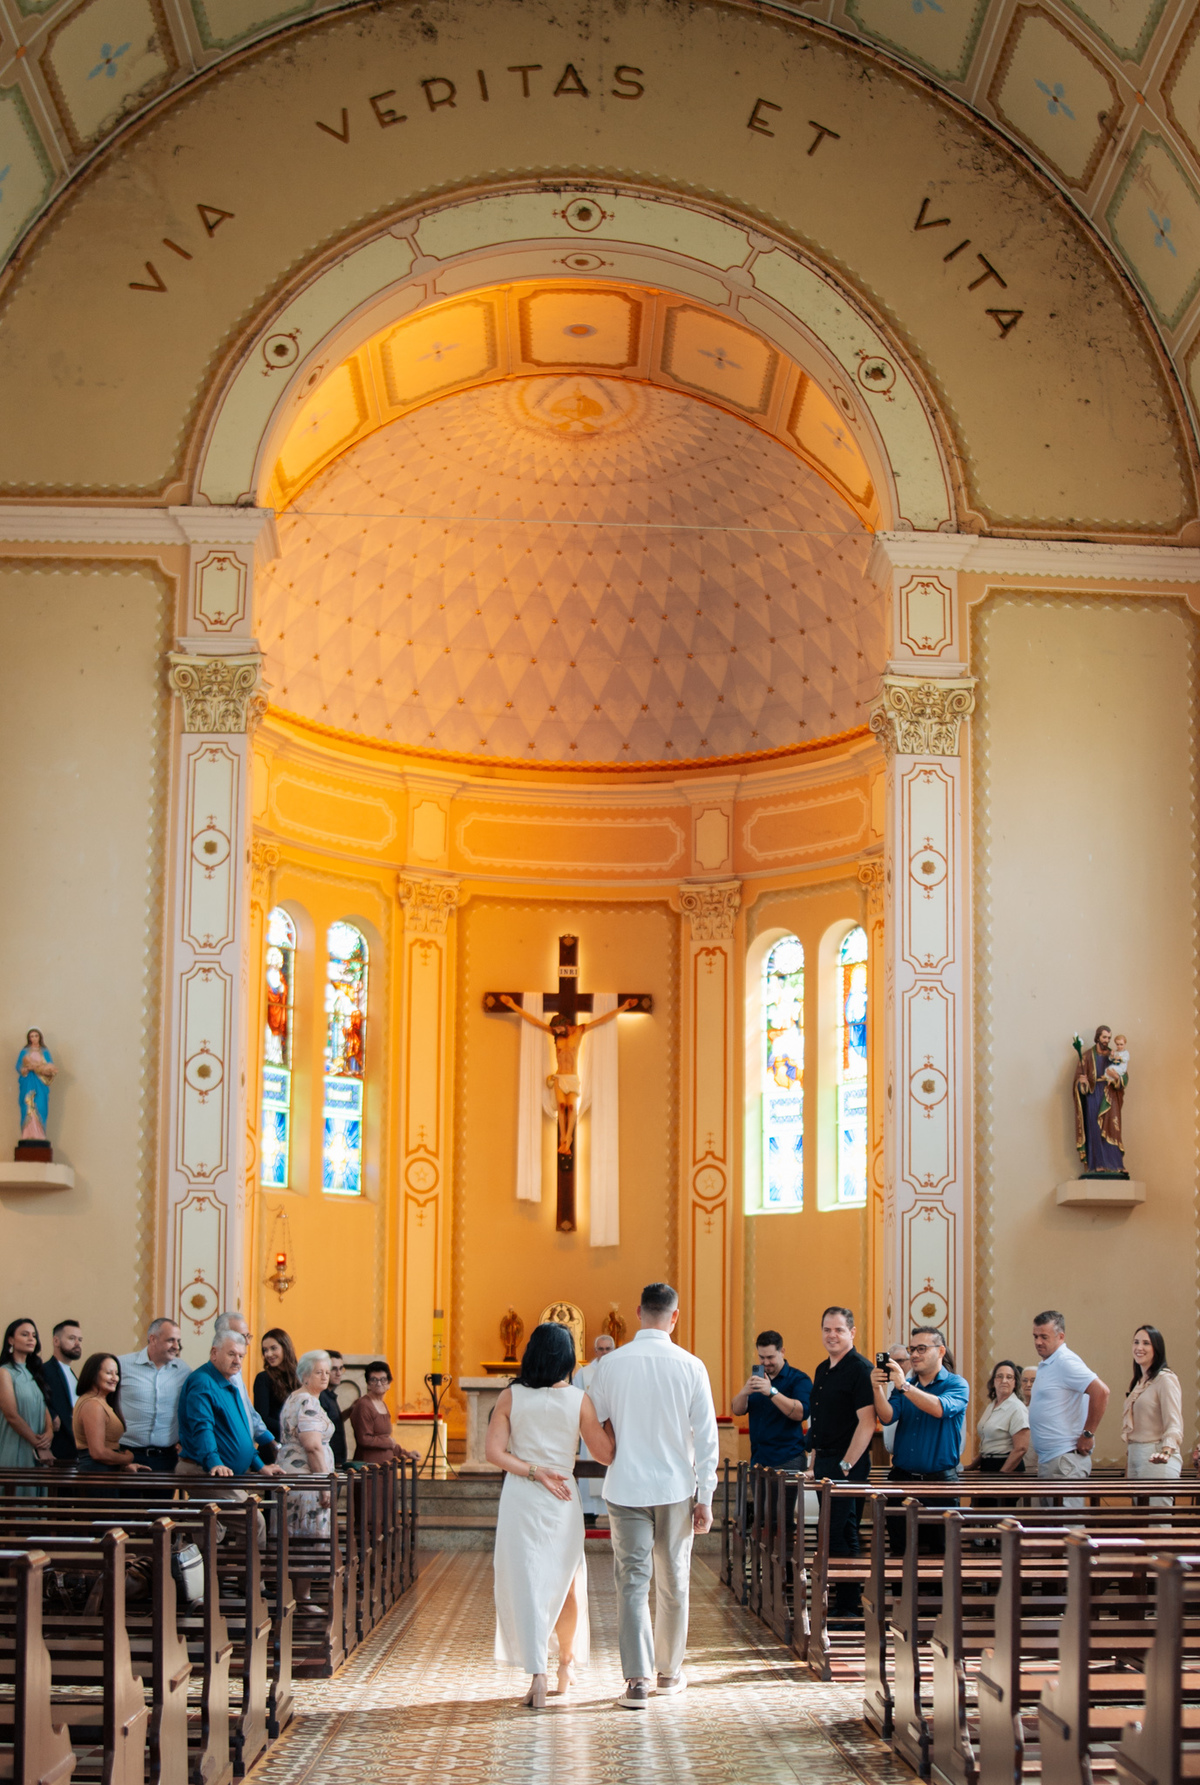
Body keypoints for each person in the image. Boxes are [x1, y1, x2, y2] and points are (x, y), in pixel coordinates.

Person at [586, 1281, 718, 1710]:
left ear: (639, 1313)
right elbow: (707, 1435)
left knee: (631, 1582)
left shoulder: (610, 1364)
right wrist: (707, 1495)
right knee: (674, 1579)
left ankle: (637, 1681)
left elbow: (596, 1425)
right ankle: (668, 1672)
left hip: (625, 1486)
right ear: (674, 1316)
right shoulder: (691, 1365)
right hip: (676, 1487)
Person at [488, 1322, 615, 1709]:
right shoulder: (579, 1400)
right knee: (568, 1583)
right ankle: (564, 1668)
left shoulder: (511, 1396)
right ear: (566, 1358)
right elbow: (605, 1455)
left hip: (522, 1498)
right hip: (562, 1497)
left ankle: (537, 1677)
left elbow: (494, 1452)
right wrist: (611, 1420)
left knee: (527, 1583)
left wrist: (532, 1470)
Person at [802, 1307, 877, 1616]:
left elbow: (867, 1422)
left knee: (837, 1532)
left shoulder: (861, 1369)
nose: (832, 1335)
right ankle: (846, 1604)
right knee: (839, 1533)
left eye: (839, 1330)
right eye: (827, 1329)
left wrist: (846, 1466)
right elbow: (819, 1423)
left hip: (849, 1465)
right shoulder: (823, 1369)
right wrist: (813, 1462)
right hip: (825, 1462)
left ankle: (848, 1606)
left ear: (852, 1333)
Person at [499, 993, 638, 1155]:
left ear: (565, 1024)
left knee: (572, 1107)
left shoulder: (579, 1031)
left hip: (572, 1077)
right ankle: (562, 1140)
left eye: (558, 1029)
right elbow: (535, 1021)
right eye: (555, 1030)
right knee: (561, 1105)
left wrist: (623, 1007)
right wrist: (512, 1006)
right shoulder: (556, 1034)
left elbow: (602, 1020)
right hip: (559, 1076)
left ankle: (568, 1138)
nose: (556, 1032)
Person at [873, 1326, 969, 1554]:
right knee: (900, 1550)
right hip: (902, 1479)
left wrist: (904, 1386)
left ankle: (937, 1591)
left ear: (941, 1351)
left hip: (939, 1483)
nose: (914, 1355)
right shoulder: (905, 1387)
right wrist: (877, 1388)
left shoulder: (956, 1384)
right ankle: (899, 1590)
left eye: (922, 1349)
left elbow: (938, 1408)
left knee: (940, 1554)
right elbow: (887, 1417)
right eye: (912, 1349)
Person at [177, 1329, 282, 1535]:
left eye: (241, 1356)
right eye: (231, 1354)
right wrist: (213, 1461)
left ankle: (231, 1567)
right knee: (255, 1523)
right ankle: (247, 1568)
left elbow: (241, 1432)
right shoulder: (203, 1382)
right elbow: (202, 1427)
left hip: (224, 1474)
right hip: (205, 1471)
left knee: (213, 1533)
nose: (237, 1361)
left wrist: (260, 1466)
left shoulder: (229, 1382)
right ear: (214, 1353)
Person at [1028, 1311, 1109, 1508]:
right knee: (1051, 1532)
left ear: (1060, 1337)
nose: (1038, 1341)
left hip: (1065, 1461)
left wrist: (1088, 1434)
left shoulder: (1065, 1361)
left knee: (1069, 1530)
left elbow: (1101, 1391)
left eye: (1044, 1337)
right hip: (1051, 1460)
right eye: (1035, 1336)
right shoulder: (1049, 1364)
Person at [278, 1351, 336, 1593]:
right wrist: (324, 1485)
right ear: (304, 1376)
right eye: (318, 1372)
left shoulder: (299, 1398)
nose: (324, 1376)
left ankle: (299, 1595)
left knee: (301, 1539)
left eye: (327, 1371)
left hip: (300, 1480)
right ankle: (301, 1596)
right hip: (307, 1483)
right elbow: (312, 1446)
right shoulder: (307, 1402)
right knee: (306, 1539)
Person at [731, 1329, 812, 1469]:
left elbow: (801, 1413)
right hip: (759, 1459)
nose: (766, 1362)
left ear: (782, 1351)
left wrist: (771, 1392)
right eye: (761, 1357)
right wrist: (744, 1392)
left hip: (788, 1459)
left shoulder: (799, 1379)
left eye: (770, 1357)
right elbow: (737, 1411)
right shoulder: (758, 1379)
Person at [117, 1318, 190, 1471]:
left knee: (162, 1496)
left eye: (178, 1341)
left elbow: (190, 1408)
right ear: (153, 1339)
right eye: (171, 1340)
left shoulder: (183, 1370)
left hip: (166, 1458)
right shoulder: (122, 1365)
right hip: (128, 1455)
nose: (176, 1346)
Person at [1123, 1325, 1182, 1503]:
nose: (1139, 1348)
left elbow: (1174, 1422)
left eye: (1146, 1343)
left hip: (1157, 1455)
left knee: (1157, 1524)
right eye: (1136, 1342)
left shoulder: (1165, 1379)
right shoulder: (1139, 1382)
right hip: (1136, 1454)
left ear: (1156, 1348)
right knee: (1140, 1524)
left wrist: (1166, 1450)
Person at [73, 1353, 149, 1476]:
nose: (115, 1378)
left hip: (104, 1470)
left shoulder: (100, 1401)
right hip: (97, 1474)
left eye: (117, 1373)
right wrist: (127, 1458)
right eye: (109, 1373)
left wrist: (125, 1465)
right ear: (93, 1375)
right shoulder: (93, 1404)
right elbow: (98, 1452)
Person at [213, 1313, 276, 1458]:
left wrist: (268, 1439)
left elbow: (247, 1409)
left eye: (248, 1336)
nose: (247, 1342)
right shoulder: (211, 1378)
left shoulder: (236, 1371)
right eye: (242, 1336)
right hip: (223, 1459)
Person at [0, 1317, 53, 1486]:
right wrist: (39, 1444)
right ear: (11, 1340)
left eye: (34, 1335)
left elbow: (43, 1406)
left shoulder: (34, 1372)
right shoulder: (4, 1372)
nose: (31, 1339)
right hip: (15, 1443)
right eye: (25, 1334)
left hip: (38, 1447)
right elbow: (11, 1414)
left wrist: (49, 1432)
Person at [1073, 1025, 1127, 1176]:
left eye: (1109, 1038)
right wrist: (1081, 1082)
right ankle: (1098, 1164)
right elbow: (1077, 1081)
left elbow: (1124, 1074)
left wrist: (1117, 1078)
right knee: (1095, 1129)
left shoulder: (1114, 1055)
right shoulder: (1087, 1057)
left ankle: (1116, 1164)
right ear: (1097, 1037)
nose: (1107, 1041)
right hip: (1093, 1094)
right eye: (1104, 1037)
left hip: (1110, 1094)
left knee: (1113, 1129)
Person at [574, 1333, 615, 1527]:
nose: (604, 1352)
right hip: (591, 1429)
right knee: (589, 1473)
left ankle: (614, 1511)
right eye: (601, 1349)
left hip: (615, 1430)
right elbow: (576, 1400)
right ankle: (589, 1513)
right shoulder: (583, 1374)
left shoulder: (620, 1369)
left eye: (608, 1349)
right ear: (595, 1350)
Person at [349, 1361, 419, 1464]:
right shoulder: (364, 1405)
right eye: (374, 1380)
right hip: (368, 1468)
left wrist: (407, 1454)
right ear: (368, 1384)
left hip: (385, 1467)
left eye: (383, 1380)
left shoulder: (382, 1404)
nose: (379, 1383)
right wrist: (388, 1442)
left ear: (389, 1384)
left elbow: (387, 1439)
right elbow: (364, 1439)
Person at [968, 1360, 1029, 1476]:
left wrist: (1002, 1474)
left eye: (1009, 1377)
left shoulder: (1017, 1408)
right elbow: (989, 1443)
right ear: (993, 1382)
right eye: (999, 1377)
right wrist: (972, 1466)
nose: (1004, 1381)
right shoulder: (992, 1405)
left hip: (1007, 1465)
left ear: (1015, 1382)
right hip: (987, 1464)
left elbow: (1021, 1448)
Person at [44, 1319, 82, 1463]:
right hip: (57, 1448)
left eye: (80, 1339)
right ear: (56, 1341)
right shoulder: (45, 1370)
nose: (77, 1343)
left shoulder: (73, 1374)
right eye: (72, 1338)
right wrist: (52, 1414)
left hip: (74, 1448)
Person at [254, 1328, 299, 1441]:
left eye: (273, 1348)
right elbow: (263, 1418)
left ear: (285, 1348)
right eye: (265, 1350)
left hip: (300, 1442)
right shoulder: (263, 1378)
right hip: (275, 1444)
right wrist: (293, 1429)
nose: (268, 1354)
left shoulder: (301, 1376)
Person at [15, 1029, 57, 1144]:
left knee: (41, 1105)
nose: (34, 1038)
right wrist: (25, 1069)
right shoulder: (24, 1052)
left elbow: (50, 1067)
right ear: (29, 1038)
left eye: (36, 1036)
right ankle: (27, 1134)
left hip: (40, 1084)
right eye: (31, 1036)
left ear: (40, 1037)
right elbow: (19, 1066)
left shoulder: (45, 1052)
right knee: (28, 1106)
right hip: (28, 1082)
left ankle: (40, 1134)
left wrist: (42, 1069)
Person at [319, 1350, 351, 1470]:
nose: (338, 1373)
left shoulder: (330, 1395)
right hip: (327, 1463)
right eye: (334, 1369)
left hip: (336, 1461)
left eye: (341, 1368)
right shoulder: (320, 1396)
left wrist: (349, 1411)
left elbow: (333, 1422)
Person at [880, 1345, 910, 1456]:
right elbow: (887, 1418)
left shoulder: (914, 1383)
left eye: (900, 1361)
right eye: (890, 1361)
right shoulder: (891, 1384)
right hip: (897, 1456)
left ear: (910, 1361)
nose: (894, 1365)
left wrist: (903, 1386)